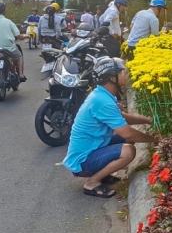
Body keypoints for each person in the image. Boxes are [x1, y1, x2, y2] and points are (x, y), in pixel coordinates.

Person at [62, 57, 158, 198]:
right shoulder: (102, 101)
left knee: (126, 141)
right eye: (121, 72)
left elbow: (121, 117)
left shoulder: (101, 95)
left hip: (93, 149)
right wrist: (154, 139)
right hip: (83, 161)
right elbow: (129, 134)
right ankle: (92, 182)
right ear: (112, 78)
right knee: (128, 150)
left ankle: (103, 175)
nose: (125, 74)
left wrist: (148, 120)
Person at [0, 2, 27, 82]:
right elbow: (18, 36)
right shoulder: (8, 22)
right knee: (19, 56)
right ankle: (20, 74)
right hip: (8, 48)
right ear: (4, 11)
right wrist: (24, 36)